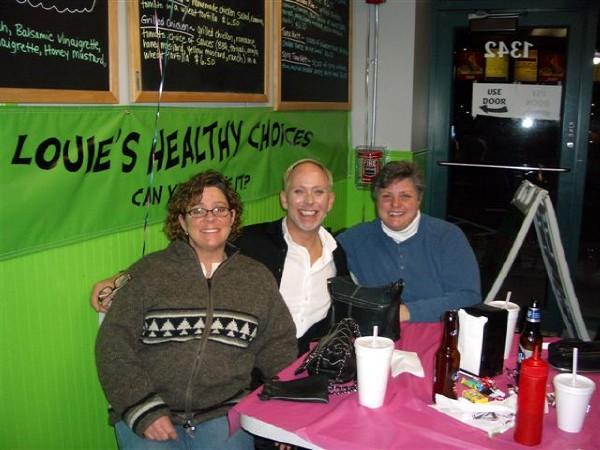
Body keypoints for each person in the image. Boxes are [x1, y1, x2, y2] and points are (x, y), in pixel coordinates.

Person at [95, 170, 297, 450]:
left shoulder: (256, 278)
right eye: (197, 210)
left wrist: (285, 413)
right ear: (182, 221)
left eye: (219, 209)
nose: (210, 218)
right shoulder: (149, 272)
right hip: (148, 407)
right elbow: (113, 343)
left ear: (232, 217)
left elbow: (279, 348)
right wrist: (142, 408)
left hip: (223, 412)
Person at [92, 159, 348, 355]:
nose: (309, 202)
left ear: (330, 201)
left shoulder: (337, 253)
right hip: (255, 367)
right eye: (299, 191)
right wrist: (123, 278)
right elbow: (190, 249)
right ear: (284, 199)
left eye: (318, 192)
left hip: (312, 366)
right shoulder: (252, 241)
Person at [337, 160, 481, 323]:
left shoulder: (447, 237)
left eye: (405, 196)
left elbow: (469, 297)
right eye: (386, 196)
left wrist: (408, 312)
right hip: (377, 335)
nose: (395, 204)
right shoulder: (354, 240)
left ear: (419, 199)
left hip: (437, 333)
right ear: (376, 200)